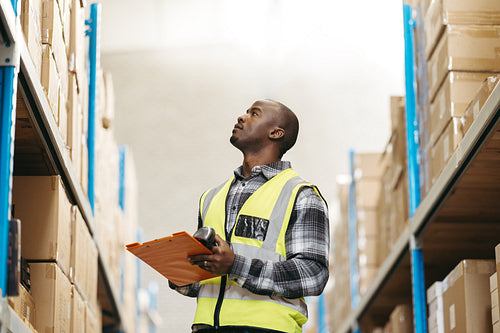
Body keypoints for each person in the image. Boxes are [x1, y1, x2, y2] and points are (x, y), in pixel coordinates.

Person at [170, 99, 330, 333]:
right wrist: (178, 271)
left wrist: (236, 265)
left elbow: (313, 274)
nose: (241, 117)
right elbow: (207, 280)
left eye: (254, 114)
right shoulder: (211, 197)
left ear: (276, 133)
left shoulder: (301, 195)